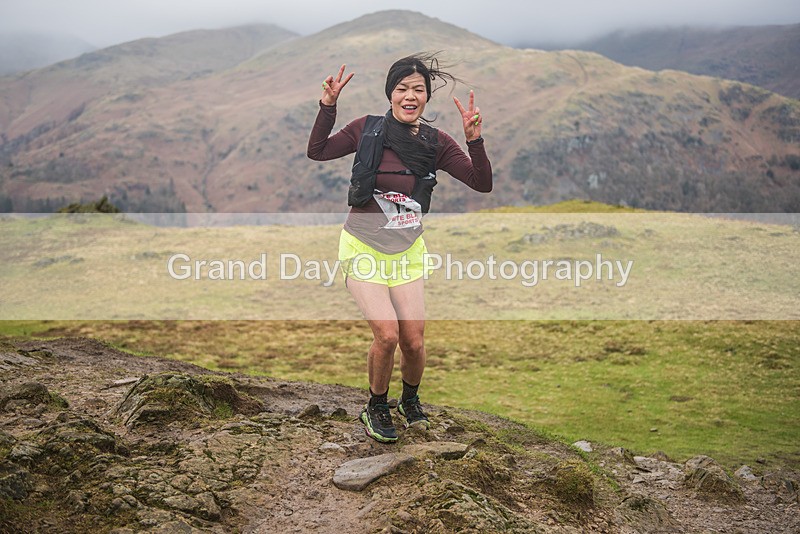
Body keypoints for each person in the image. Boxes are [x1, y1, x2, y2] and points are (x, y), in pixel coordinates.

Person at [307, 53, 492, 443]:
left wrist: (474, 139)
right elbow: (318, 150)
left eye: (419, 89)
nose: (411, 95)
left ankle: (410, 401)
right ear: (390, 93)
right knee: (387, 335)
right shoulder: (366, 129)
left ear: (426, 97)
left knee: (414, 339)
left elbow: (481, 182)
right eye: (403, 88)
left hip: (407, 251)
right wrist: (328, 105)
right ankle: (375, 405)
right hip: (362, 245)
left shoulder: (436, 142)